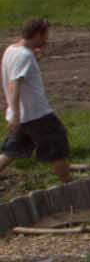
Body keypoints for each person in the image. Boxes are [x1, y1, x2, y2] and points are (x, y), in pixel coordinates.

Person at [1, 18, 70, 187]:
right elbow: (14, 84)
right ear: (38, 34)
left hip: (23, 115)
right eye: (46, 35)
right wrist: (16, 115)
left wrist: (15, 114)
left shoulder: (12, 50)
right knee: (58, 145)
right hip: (36, 114)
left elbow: (15, 74)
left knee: (12, 151)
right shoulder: (24, 55)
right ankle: (69, 187)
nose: (47, 39)